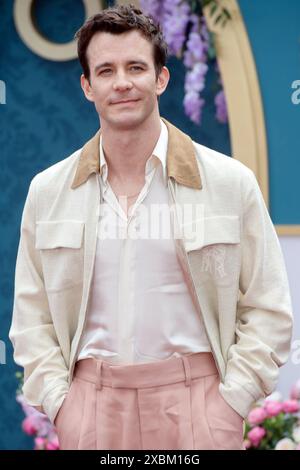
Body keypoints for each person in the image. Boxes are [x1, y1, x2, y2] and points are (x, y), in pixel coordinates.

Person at [9, 5, 293, 450]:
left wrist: (229, 404)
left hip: (199, 406)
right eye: (106, 70)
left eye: (136, 67)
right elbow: (31, 320)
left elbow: (269, 308)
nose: (121, 82)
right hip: (93, 410)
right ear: (88, 86)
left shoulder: (228, 182)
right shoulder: (48, 191)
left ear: (160, 78)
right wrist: (64, 406)